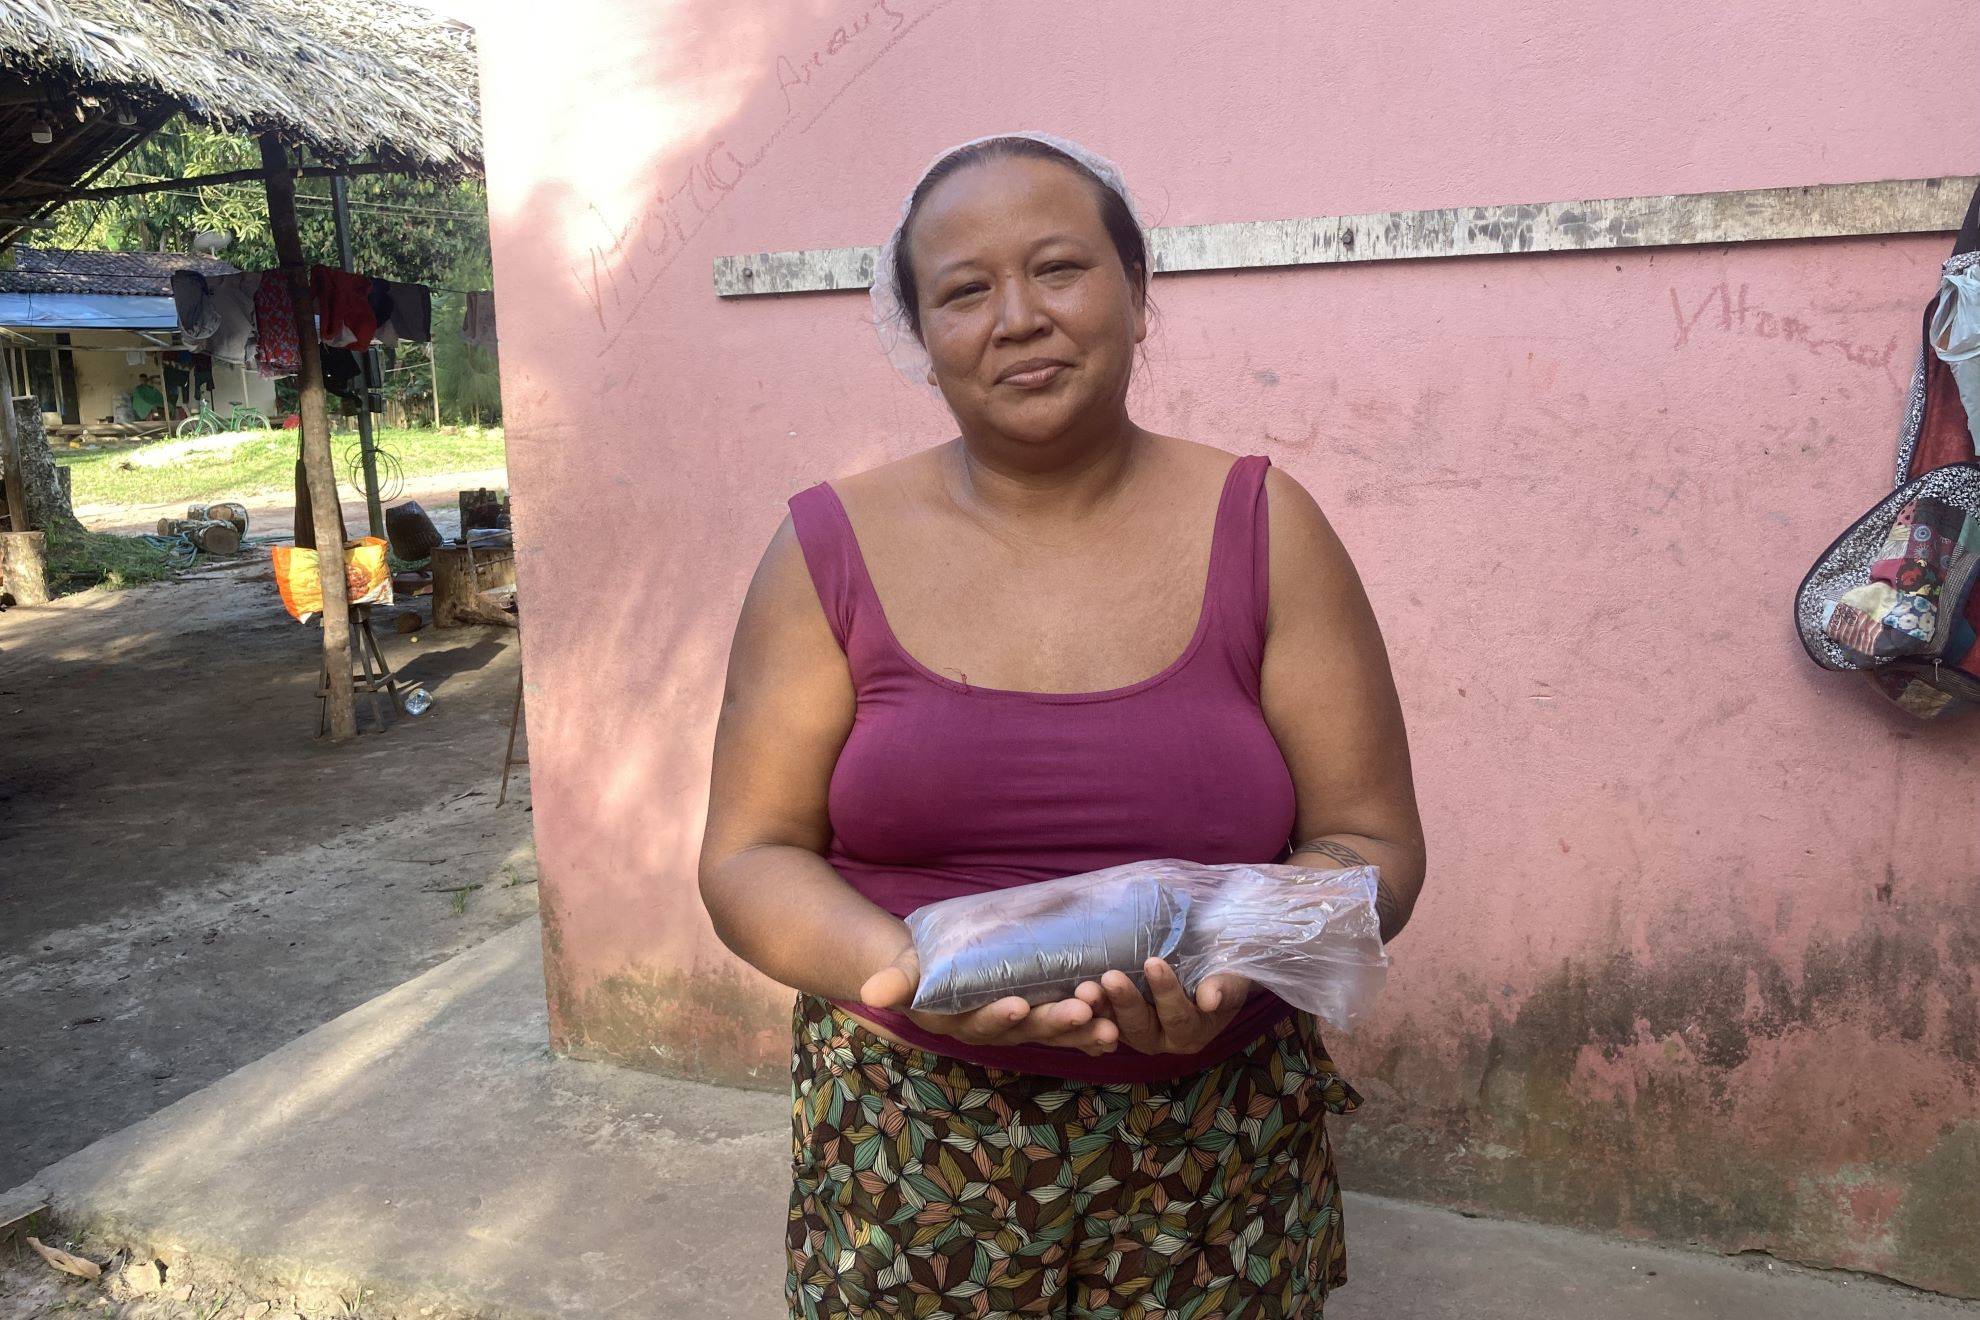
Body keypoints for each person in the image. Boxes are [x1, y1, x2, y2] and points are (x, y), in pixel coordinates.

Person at [700, 130, 1426, 1318]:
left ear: (1137, 291)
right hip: (907, 1147)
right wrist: (903, 971)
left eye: (1059, 268)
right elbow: (749, 855)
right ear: (919, 335)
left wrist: (1233, 959)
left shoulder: (1266, 527)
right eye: (964, 291)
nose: (1018, 318)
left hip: (1216, 1147)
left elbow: (1374, 843)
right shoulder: (825, 551)